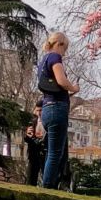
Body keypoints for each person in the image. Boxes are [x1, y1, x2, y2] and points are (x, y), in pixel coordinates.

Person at [35, 31, 78, 189]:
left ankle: (48, 184)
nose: (64, 54)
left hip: (47, 108)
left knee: (51, 152)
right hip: (57, 108)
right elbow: (61, 80)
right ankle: (48, 187)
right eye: (64, 49)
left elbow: (53, 86)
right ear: (59, 44)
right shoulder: (54, 57)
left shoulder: (43, 61)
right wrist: (74, 87)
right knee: (55, 153)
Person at [23, 105, 47, 186]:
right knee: (31, 177)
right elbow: (27, 139)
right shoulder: (33, 122)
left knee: (45, 177)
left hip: (44, 154)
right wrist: (27, 135)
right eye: (37, 110)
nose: (39, 113)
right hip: (33, 153)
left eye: (41, 110)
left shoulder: (48, 122)